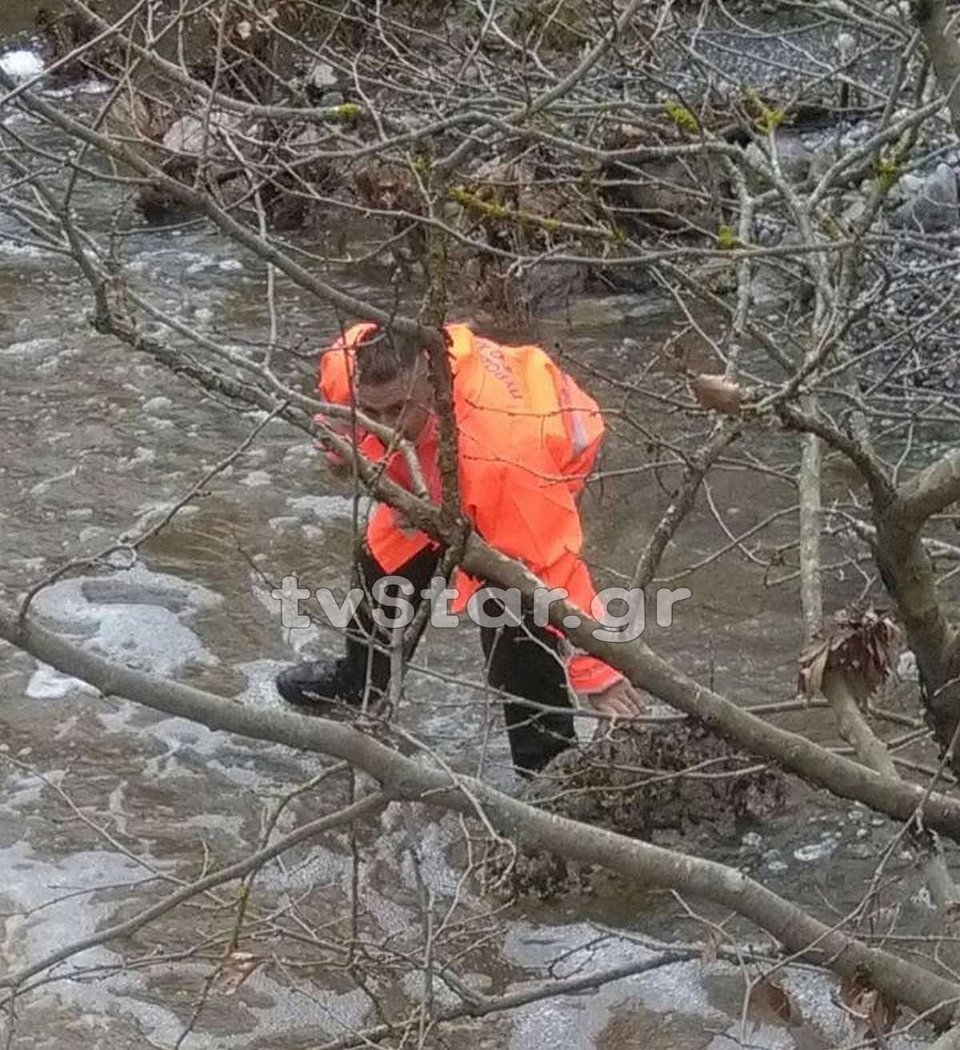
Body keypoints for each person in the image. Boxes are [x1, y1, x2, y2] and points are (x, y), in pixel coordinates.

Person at [275, 320, 648, 775]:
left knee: (513, 613)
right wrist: (343, 440)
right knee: (380, 559)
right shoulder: (350, 358)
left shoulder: (502, 460)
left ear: (432, 383)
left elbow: (552, 567)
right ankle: (362, 682)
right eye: (373, 412)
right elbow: (343, 415)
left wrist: (598, 671)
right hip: (443, 450)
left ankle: (547, 769)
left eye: (397, 409)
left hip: (539, 457)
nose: (386, 426)